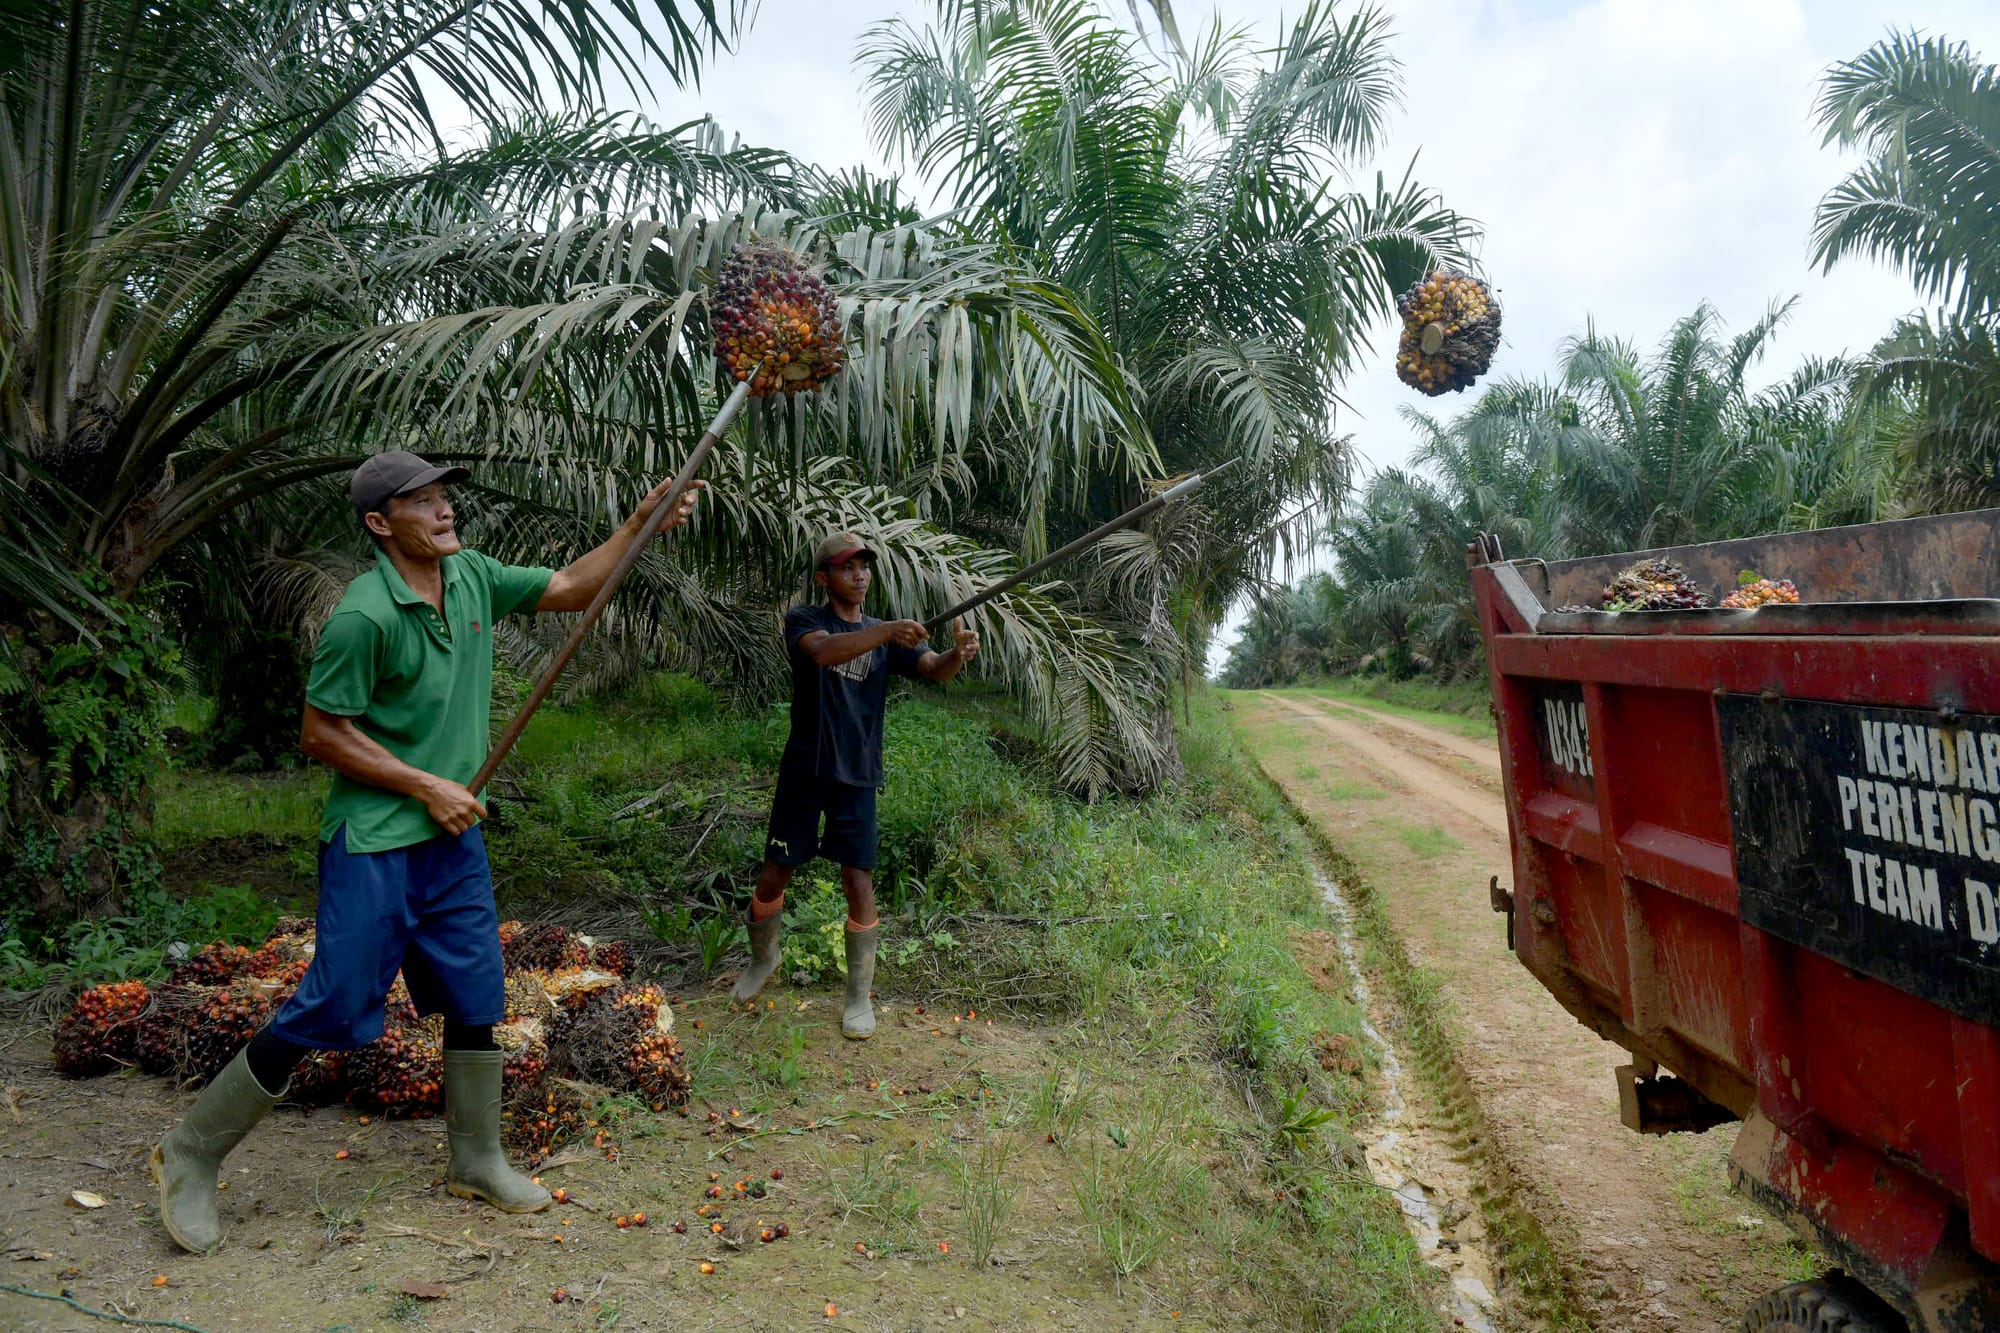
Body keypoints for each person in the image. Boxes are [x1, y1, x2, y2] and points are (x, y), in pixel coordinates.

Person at [151, 451, 701, 1255]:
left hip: (451, 842)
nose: (445, 510)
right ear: (381, 523)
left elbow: (570, 588)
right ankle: (191, 1152)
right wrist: (423, 785)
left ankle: (475, 1158)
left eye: (446, 497)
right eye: (424, 501)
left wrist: (635, 525)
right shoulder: (363, 617)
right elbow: (320, 733)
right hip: (376, 841)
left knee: (477, 991)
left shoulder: (471, 575)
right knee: (335, 1002)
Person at [730, 533, 979, 1038]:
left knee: (858, 882)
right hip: (806, 770)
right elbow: (821, 654)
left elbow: (934, 669)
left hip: (858, 774)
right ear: (825, 578)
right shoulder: (806, 620)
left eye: (864, 566)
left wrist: (956, 653)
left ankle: (858, 997)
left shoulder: (882, 634)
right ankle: (763, 958)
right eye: (848, 568)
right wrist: (887, 631)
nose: (860, 575)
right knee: (776, 871)